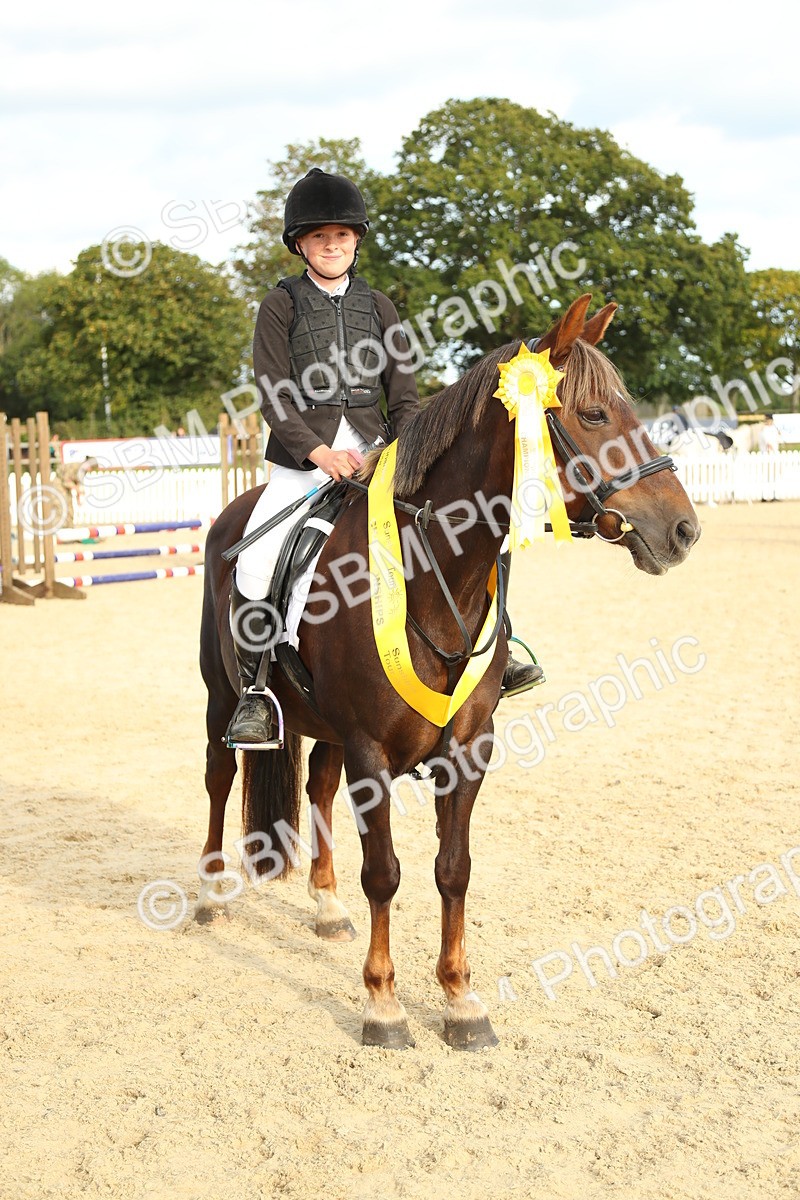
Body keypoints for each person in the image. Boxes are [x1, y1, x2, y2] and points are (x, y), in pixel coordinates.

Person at [226, 169, 542, 749]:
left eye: (343, 237)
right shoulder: (279, 305)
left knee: (472, 534)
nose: (333, 246)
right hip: (304, 465)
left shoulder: (381, 306)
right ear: (301, 243)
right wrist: (319, 452)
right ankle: (256, 692)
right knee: (258, 558)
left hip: (381, 458)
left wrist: (402, 453)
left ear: (356, 241)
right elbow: (272, 389)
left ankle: (504, 648)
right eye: (321, 237)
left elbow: (404, 394)